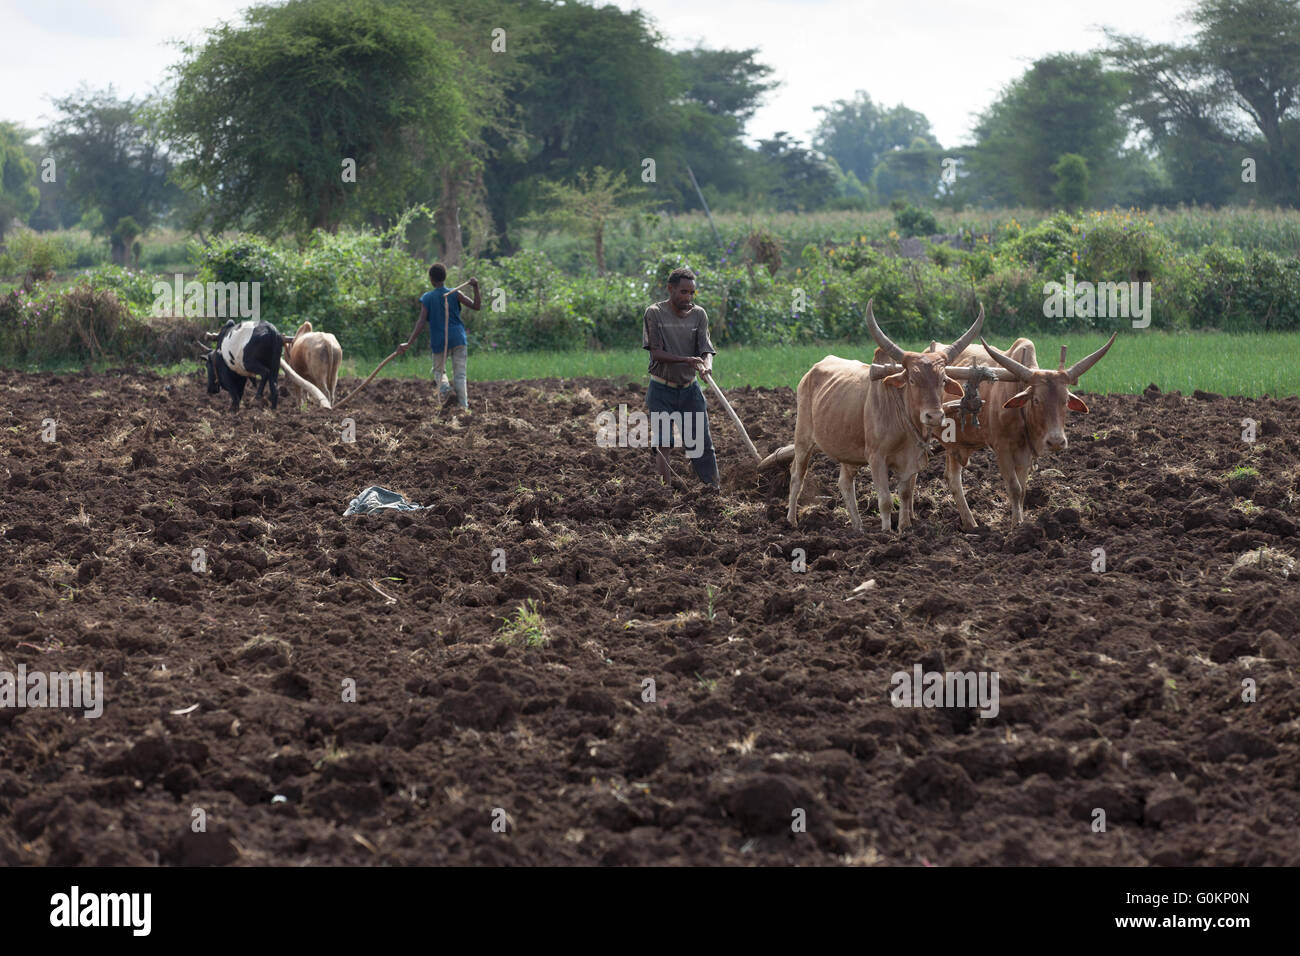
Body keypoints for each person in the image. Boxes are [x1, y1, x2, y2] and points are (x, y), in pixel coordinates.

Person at [642, 267, 719, 488]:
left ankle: (712, 489)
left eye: (691, 293)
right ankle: (664, 493)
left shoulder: (699, 315)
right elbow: (655, 353)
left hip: (690, 390)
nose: (688, 297)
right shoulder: (654, 313)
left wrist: (706, 366)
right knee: (664, 443)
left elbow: (706, 349)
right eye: (683, 292)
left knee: (702, 444)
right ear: (671, 289)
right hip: (661, 390)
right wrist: (687, 360)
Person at [397, 263, 481, 409]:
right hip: (459, 338)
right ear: (444, 277)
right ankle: (463, 407)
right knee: (460, 375)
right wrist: (475, 287)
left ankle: (446, 390)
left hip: (440, 340)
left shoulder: (427, 298)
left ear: (431, 279)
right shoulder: (455, 293)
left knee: (438, 371)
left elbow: (421, 321)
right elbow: (476, 306)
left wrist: (409, 343)